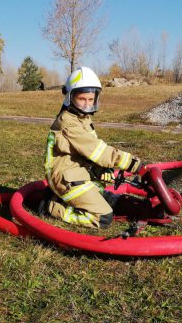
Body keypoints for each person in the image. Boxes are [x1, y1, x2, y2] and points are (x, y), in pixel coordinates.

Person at [42, 66, 145, 228]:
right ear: (70, 97)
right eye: (82, 99)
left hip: (76, 172)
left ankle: (69, 199)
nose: (87, 104)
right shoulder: (68, 123)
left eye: (91, 100)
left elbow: (86, 153)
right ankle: (51, 207)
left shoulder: (82, 118)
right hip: (64, 178)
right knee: (103, 217)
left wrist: (99, 169)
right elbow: (99, 151)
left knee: (102, 191)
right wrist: (132, 163)